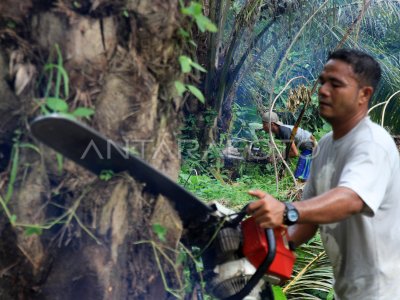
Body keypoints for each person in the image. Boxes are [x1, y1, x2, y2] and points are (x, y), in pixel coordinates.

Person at [248, 49, 400, 299]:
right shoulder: (327, 146)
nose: (323, 90)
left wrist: (286, 211)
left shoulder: (372, 143)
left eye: (336, 84)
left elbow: (352, 198)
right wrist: (275, 247)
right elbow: (309, 220)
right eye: (322, 82)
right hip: (350, 289)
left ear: (364, 94)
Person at [262, 111, 315, 180]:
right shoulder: (279, 132)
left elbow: (295, 153)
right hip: (306, 145)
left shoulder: (284, 131)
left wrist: (278, 157)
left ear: (272, 124)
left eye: (264, 124)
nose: (263, 127)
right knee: (301, 175)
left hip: (310, 145)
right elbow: (289, 149)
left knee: (300, 176)